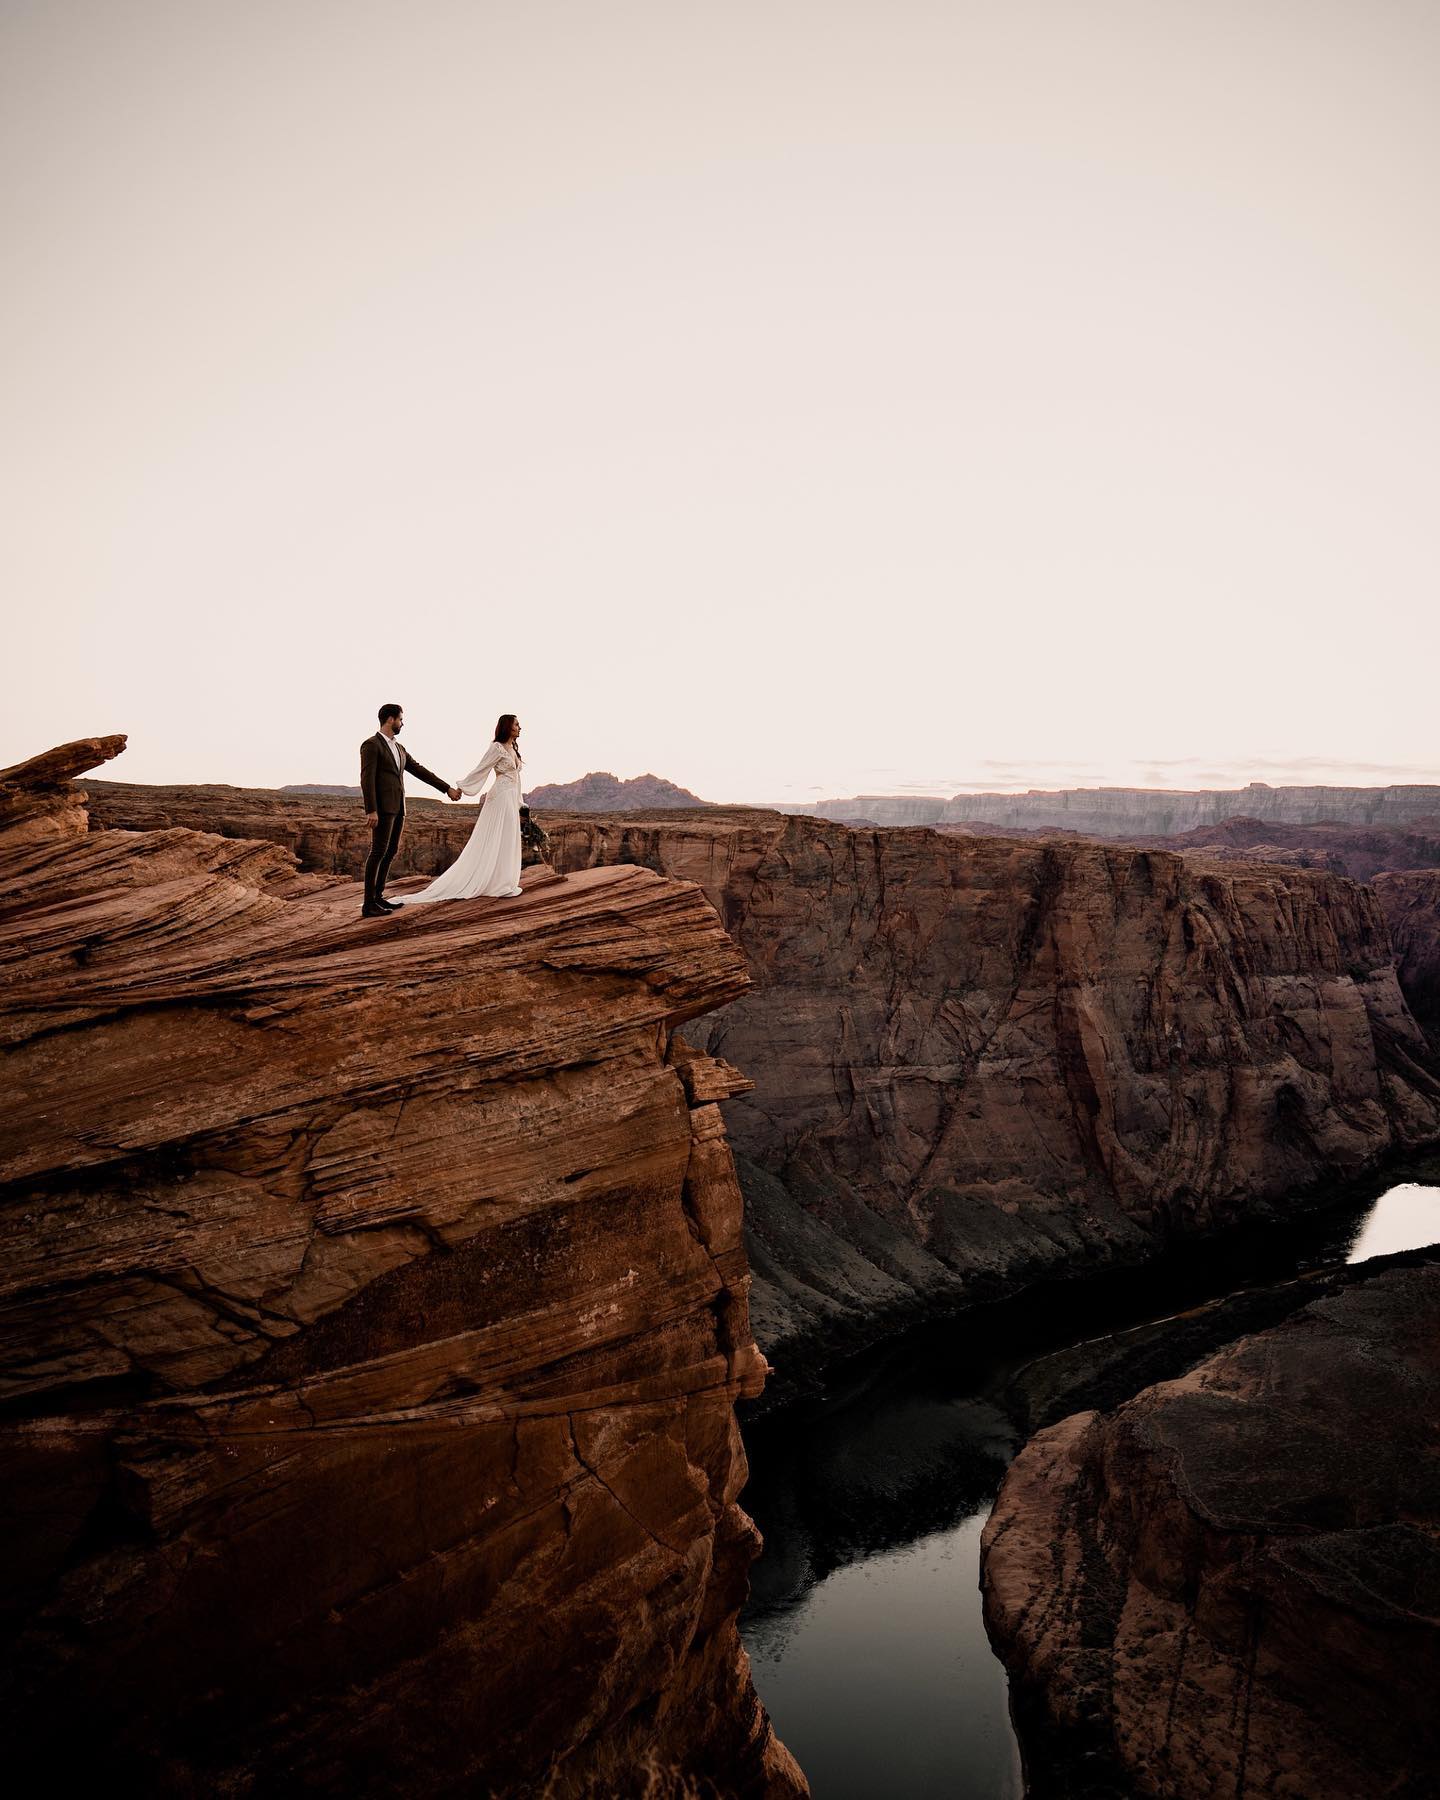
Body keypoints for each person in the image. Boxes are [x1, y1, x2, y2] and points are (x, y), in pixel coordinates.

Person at [395, 713, 526, 905]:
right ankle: (493, 882)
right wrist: (462, 788)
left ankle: (503, 881)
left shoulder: (513, 748)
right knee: (497, 837)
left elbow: (517, 779)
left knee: (508, 837)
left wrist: (521, 804)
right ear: (508, 726)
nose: (520, 727)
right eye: (516, 724)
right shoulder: (496, 748)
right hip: (499, 798)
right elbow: (480, 769)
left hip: (511, 798)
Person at [359, 703, 462, 918]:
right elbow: (366, 779)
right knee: (377, 852)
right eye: (400, 719)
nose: (402, 723)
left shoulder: (399, 748)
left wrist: (447, 789)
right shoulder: (371, 745)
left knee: (390, 851)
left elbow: (420, 771)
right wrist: (371, 810)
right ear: (390, 719)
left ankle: (378, 897)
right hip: (382, 809)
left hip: (398, 808)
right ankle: (368, 905)